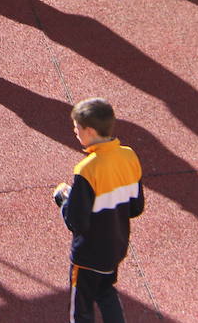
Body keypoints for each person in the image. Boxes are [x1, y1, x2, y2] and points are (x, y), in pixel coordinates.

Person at [52, 98, 144, 323]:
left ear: (90, 131)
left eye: (77, 128)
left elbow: (76, 222)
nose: (75, 132)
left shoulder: (86, 170)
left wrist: (64, 200)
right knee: (105, 291)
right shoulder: (129, 156)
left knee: (81, 309)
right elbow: (136, 207)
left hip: (88, 254)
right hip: (115, 247)